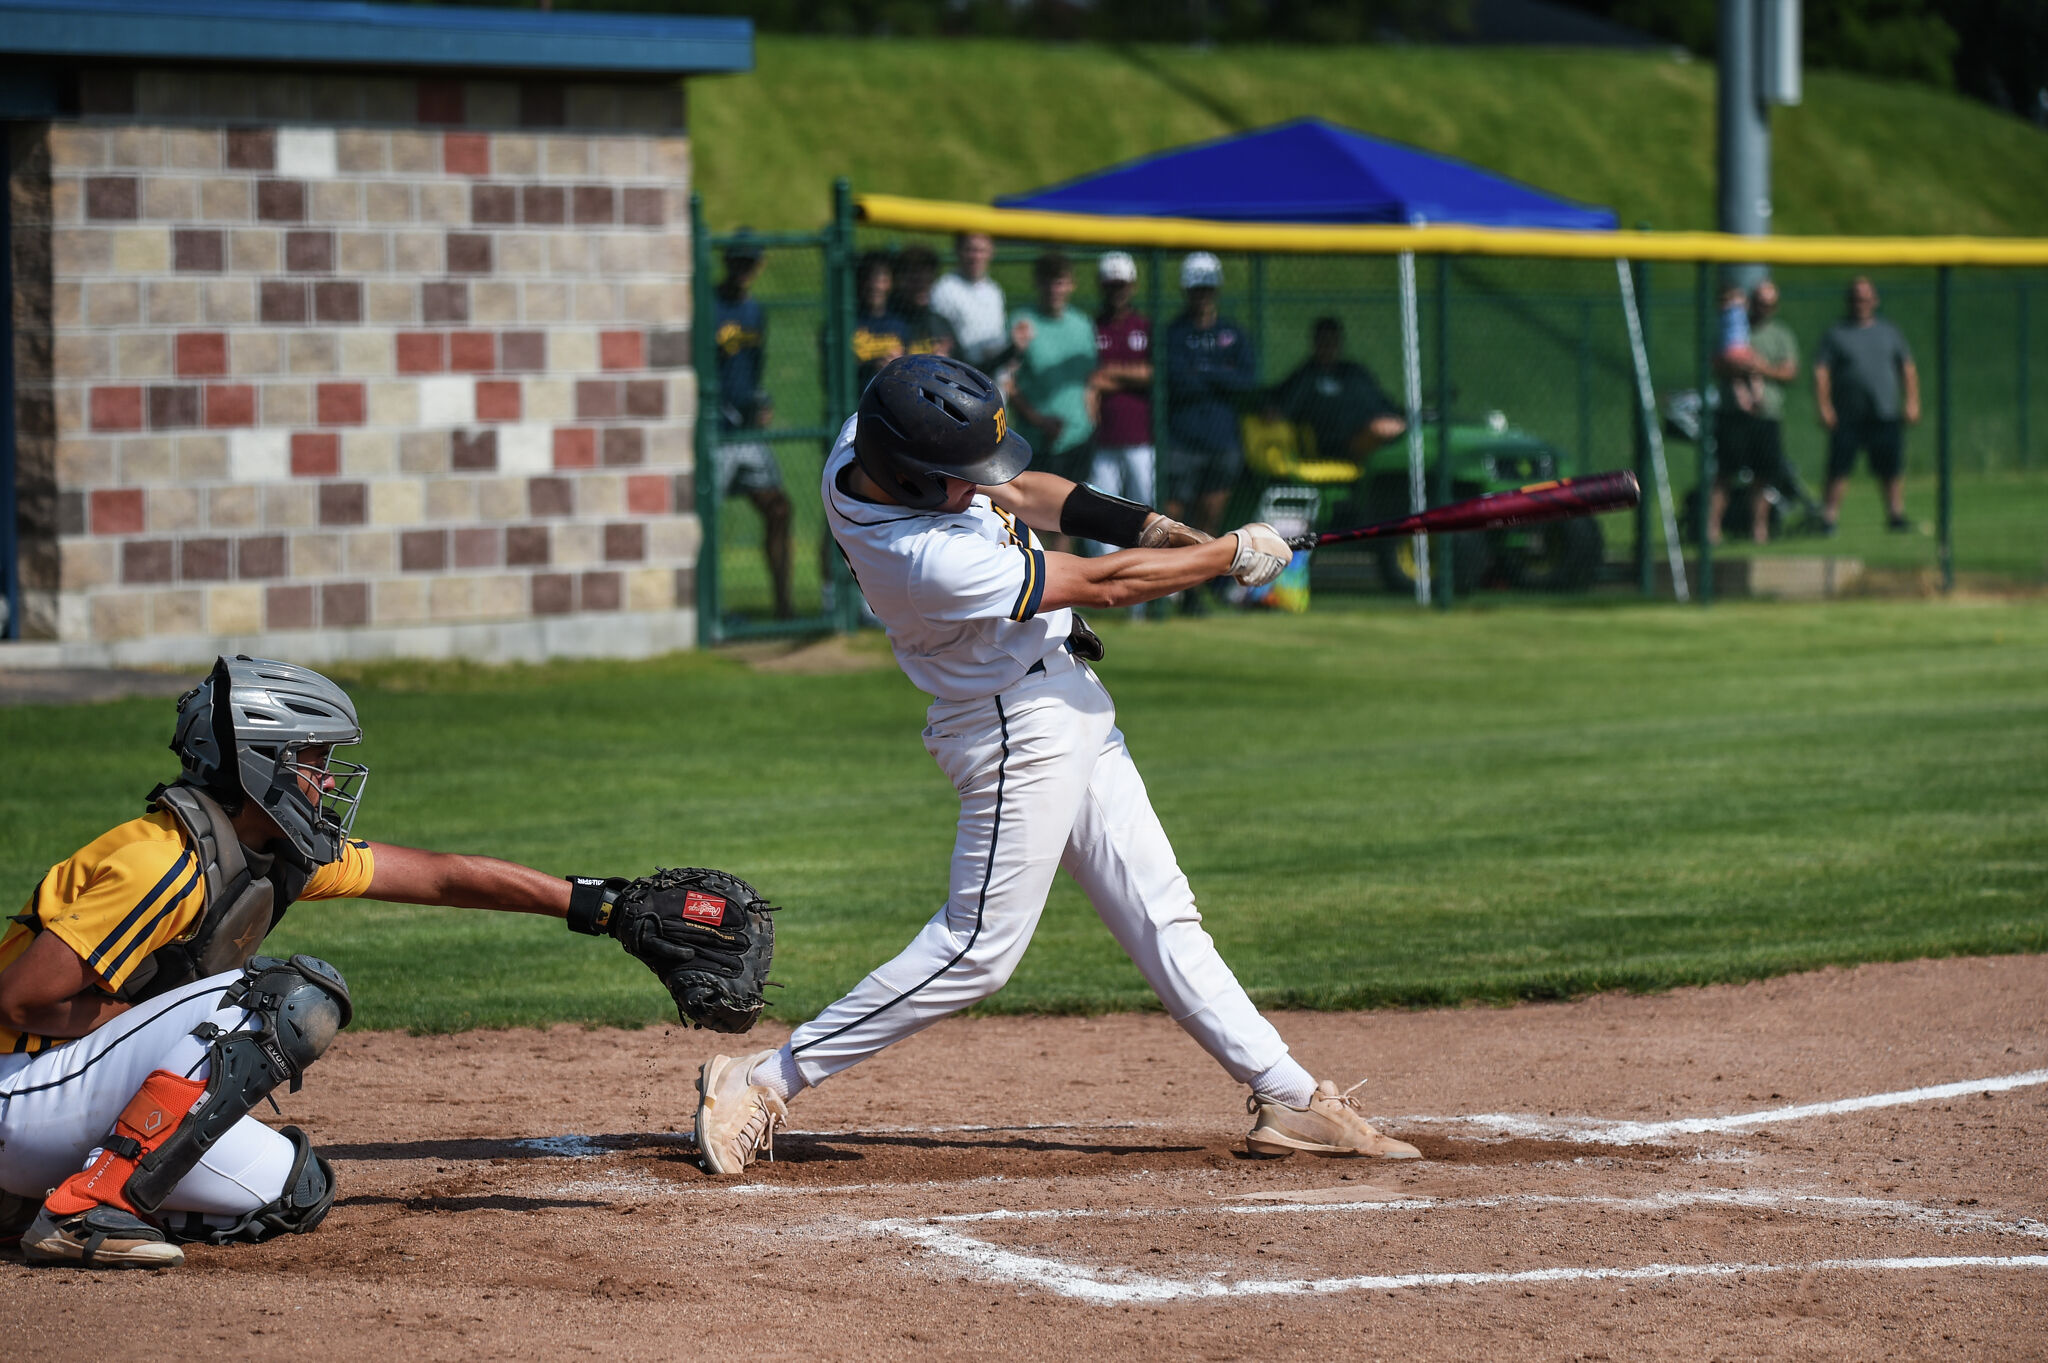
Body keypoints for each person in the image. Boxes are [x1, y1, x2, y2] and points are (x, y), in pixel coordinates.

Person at [691, 354, 1421, 1175]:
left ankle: (1287, 1094)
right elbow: (1100, 585)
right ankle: (762, 1078)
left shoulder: (870, 442)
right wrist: (1225, 559)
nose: (978, 486)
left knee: (1160, 912)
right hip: (1013, 726)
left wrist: (1154, 528)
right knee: (978, 949)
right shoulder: (926, 559)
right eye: (959, 477)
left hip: (1065, 699)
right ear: (912, 476)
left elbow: (1026, 489)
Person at [0, 656, 752, 1269]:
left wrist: (602, 906)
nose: (327, 780)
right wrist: (175, 1025)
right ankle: (84, 1207)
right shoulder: (156, 861)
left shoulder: (267, 853)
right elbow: (20, 1001)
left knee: (296, 1190)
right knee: (280, 999)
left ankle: (26, 1197)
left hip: (63, 1096)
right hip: (19, 1085)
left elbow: (437, 874)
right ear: (260, 763)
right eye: (313, 761)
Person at [1163, 253, 1260, 601]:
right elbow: (1174, 379)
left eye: (1207, 289)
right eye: (1196, 289)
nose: (1202, 296)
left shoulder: (1232, 333)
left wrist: (1202, 373)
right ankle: (1167, 585)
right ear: (1187, 291)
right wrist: (1219, 375)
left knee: (1210, 520)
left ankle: (1194, 594)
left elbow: (1247, 381)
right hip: (1181, 439)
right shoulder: (1174, 332)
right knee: (1173, 519)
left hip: (1221, 440)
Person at [711, 234, 794, 619]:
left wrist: (761, 401)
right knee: (703, 519)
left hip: (746, 432)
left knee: (779, 509)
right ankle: (708, 610)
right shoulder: (707, 305)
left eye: (750, 263)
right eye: (738, 262)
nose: (743, 271)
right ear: (726, 262)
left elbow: (754, 367)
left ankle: (784, 609)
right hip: (713, 431)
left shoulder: (755, 310)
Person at [1814, 276, 1920, 534]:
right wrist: (1824, 406)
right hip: (1848, 413)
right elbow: (1821, 371)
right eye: (1855, 298)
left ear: (1875, 300)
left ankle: (1895, 514)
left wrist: (1912, 401)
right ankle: (1828, 518)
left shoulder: (1889, 331)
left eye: (1865, 298)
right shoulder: (1836, 334)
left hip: (1883, 411)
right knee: (1839, 467)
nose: (1860, 303)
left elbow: (1906, 367)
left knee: (1890, 466)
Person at [1709, 279, 1810, 546]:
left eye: (1770, 304)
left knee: (1763, 475)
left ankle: (1759, 530)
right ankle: (1712, 529)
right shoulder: (1734, 328)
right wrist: (1738, 367)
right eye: (1759, 302)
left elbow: (1790, 371)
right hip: (1733, 414)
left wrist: (1760, 368)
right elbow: (1717, 363)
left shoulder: (1780, 334)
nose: (1764, 308)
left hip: (1767, 415)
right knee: (1724, 473)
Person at [1004, 251, 1097, 485]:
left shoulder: (1082, 324)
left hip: (1079, 438)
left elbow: (1090, 378)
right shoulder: (1022, 322)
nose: (1054, 289)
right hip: (1036, 441)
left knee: (1080, 514)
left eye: (1060, 281)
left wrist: (1091, 416)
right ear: (1037, 283)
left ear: (1071, 284)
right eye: (1047, 281)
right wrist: (1038, 420)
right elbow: (1008, 382)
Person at [1085, 252, 1156, 556]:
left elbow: (1153, 373)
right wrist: (1129, 375)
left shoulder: (1144, 325)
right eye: (1111, 285)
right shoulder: (1091, 326)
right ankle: (1106, 587)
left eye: (1122, 285)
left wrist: (1109, 375)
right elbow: (1088, 376)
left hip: (1141, 435)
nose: (1117, 291)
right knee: (1099, 509)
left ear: (1133, 286)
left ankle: (1151, 583)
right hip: (1103, 437)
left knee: (1147, 508)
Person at [1266, 316, 1406, 464]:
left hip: (1381, 427)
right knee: (1378, 429)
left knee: (1409, 427)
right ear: (1315, 342)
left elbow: (1382, 402)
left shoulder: (1355, 373)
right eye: (1324, 341)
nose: (1328, 346)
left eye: (1333, 341)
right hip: (1336, 447)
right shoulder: (1306, 376)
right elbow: (1279, 408)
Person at [930, 232, 1008, 369]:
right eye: (970, 250)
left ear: (991, 253)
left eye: (982, 251)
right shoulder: (944, 289)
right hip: (961, 372)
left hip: (995, 373)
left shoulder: (994, 290)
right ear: (958, 251)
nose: (976, 257)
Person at [849, 250, 911, 390]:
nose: (875, 286)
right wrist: (873, 365)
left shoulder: (901, 323)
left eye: (882, 279)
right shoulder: (847, 323)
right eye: (869, 279)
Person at [890, 244, 957, 360]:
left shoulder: (940, 324)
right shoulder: (885, 321)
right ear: (899, 280)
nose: (921, 286)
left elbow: (966, 367)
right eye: (914, 280)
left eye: (927, 280)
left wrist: (947, 363)